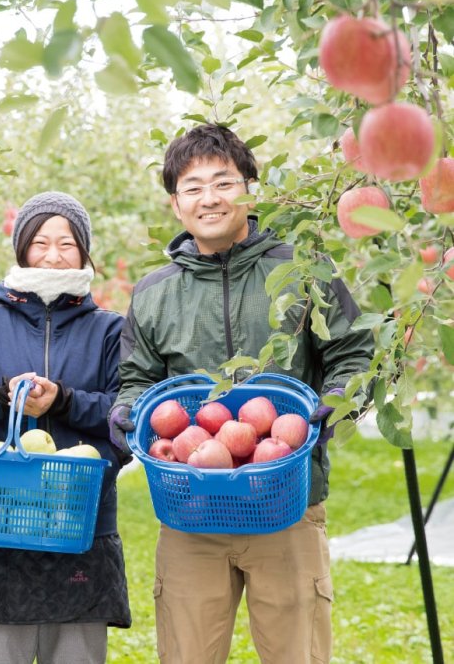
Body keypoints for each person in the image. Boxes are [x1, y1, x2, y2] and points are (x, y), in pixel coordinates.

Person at [108, 123, 374, 663]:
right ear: (175, 203)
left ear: (250, 187)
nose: (209, 198)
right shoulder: (156, 293)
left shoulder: (302, 270)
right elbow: (137, 377)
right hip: (190, 507)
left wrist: (337, 397)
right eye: (192, 187)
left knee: (296, 654)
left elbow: (354, 353)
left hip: (286, 503)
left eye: (223, 182)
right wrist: (126, 408)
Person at [0, 191, 131, 664]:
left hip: (80, 522)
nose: (53, 256)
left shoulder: (110, 330)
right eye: (39, 242)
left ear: (84, 252)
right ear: (20, 249)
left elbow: (128, 415)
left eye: (67, 244)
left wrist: (65, 401)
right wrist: (1, 395)